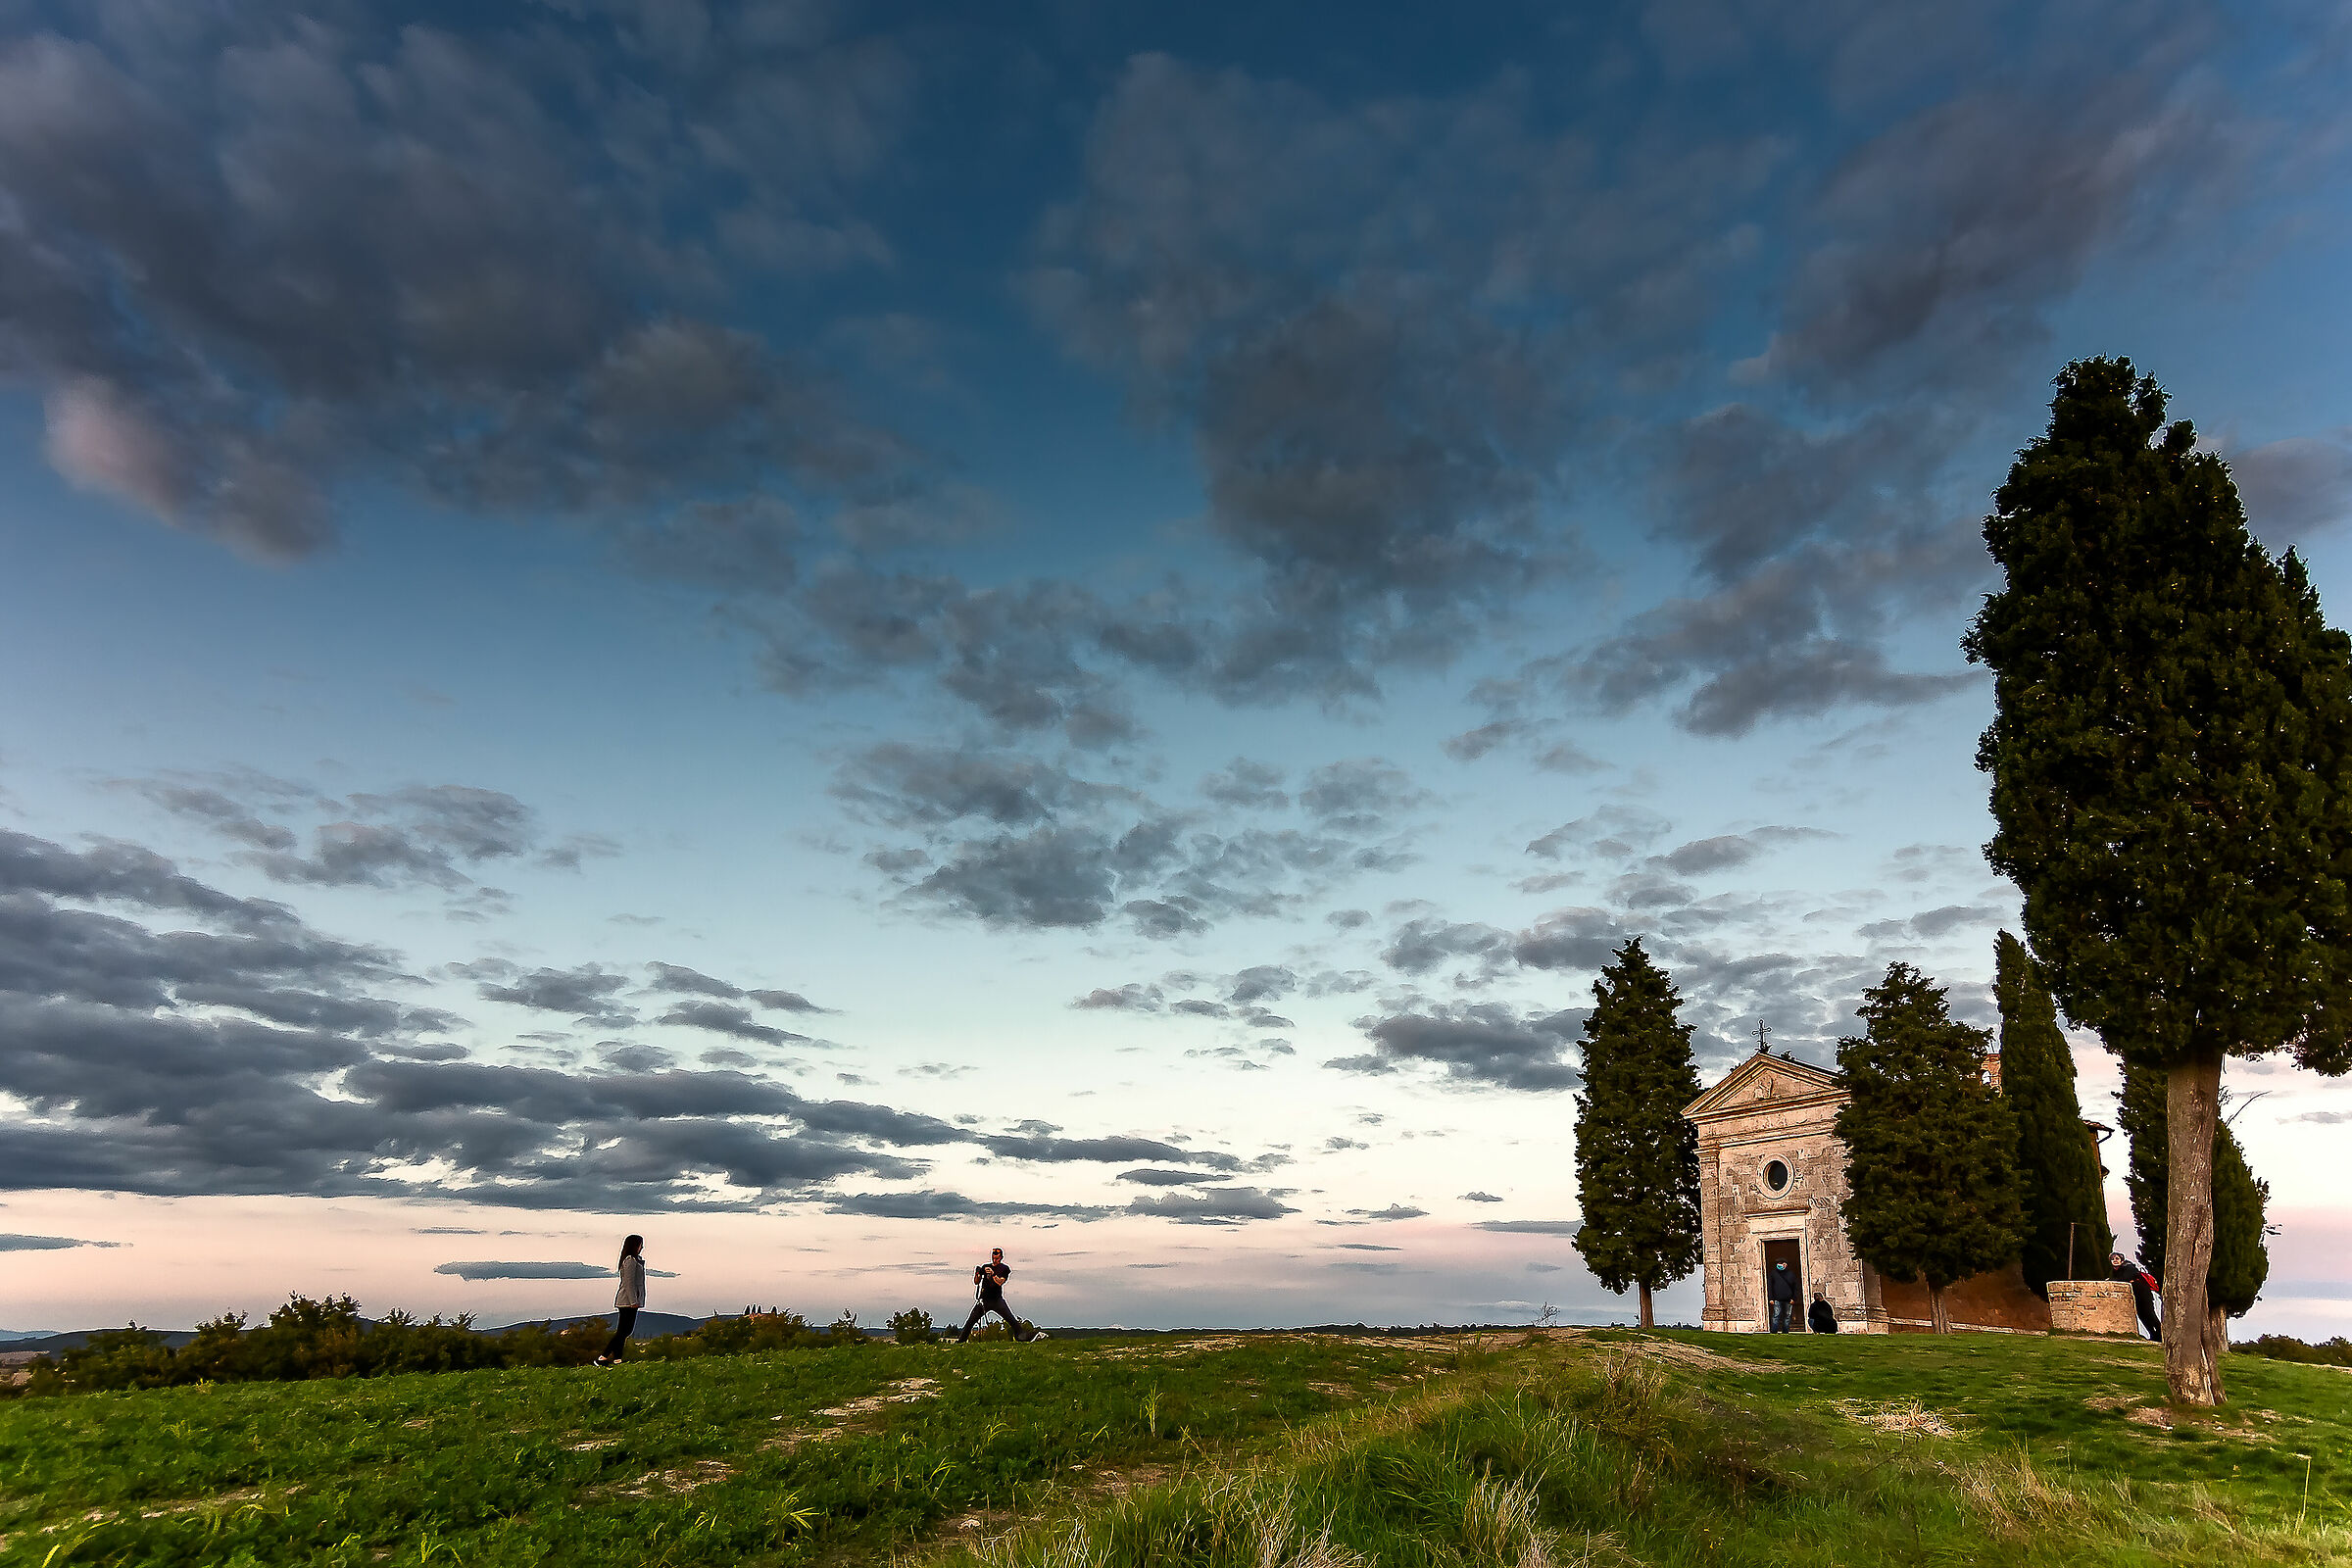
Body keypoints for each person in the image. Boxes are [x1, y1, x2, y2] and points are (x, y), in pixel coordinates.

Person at [956, 1247, 1047, 1343]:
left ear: (1001, 1257)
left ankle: (1022, 1336)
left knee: (1012, 1320)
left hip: (997, 1300)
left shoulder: (1004, 1269)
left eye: (997, 1256)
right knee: (970, 1321)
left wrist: (993, 1274)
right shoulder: (985, 1266)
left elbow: (1000, 1282)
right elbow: (976, 1282)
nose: (994, 1258)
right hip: (984, 1300)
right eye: (993, 1255)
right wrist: (977, 1273)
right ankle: (961, 1341)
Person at [596, 1235, 645, 1365]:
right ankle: (603, 1357)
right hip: (627, 1301)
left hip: (630, 1301)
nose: (642, 1247)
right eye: (640, 1244)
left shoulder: (635, 1260)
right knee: (624, 1331)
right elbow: (629, 1283)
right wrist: (634, 1301)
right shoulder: (629, 1261)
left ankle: (617, 1358)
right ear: (634, 1245)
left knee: (624, 1331)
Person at [2109, 1250, 2161, 1341]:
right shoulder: (2116, 1271)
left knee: (2150, 1315)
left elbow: (2125, 1278)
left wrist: (2112, 1280)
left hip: (2144, 1295)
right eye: (2112, 1259)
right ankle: (2154, 1335)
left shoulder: (2128, 1267)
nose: (2115, 1260)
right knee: (2142, 1316)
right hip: (2136, 1296)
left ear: (2122, 1260)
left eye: (2117, 1258)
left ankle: (2161, 1334)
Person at [1766, 1257, 1799, 1332]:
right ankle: (1774, 1331)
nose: (1779, 1265)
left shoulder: (1791, 1274)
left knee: (1787, 1316)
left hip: (1788, 1299)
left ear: (1785, 1265)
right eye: (1778, 1263)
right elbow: (1770, 1286)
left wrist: (1794, 1298)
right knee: (1776, 1315)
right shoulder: (1773, 1273)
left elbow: (1795, 1287)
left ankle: (1785, 1331)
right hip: (1777, 1299)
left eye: (1781, 1263)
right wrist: (1771, 1298)